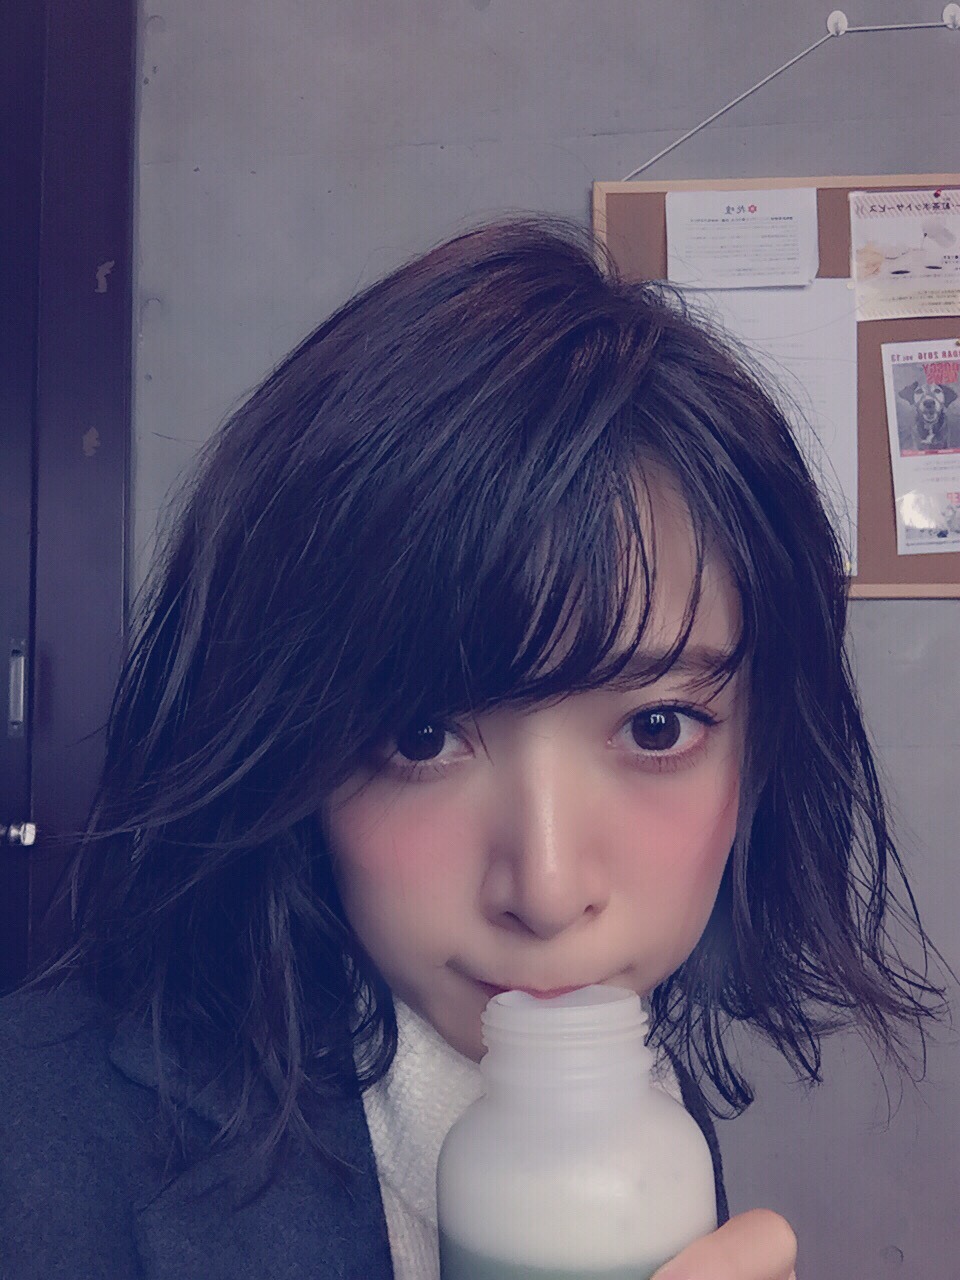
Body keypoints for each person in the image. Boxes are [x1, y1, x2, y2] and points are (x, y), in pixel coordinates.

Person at [0, 217, 942, 1280]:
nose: (547, 891)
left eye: (657, 726)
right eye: (422, 735)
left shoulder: (636, 1123)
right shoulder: (32, 1142)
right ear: (286, 738)